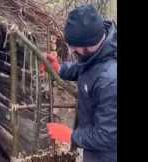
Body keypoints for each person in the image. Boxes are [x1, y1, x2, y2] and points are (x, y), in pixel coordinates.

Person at [44, 4, 117, 162]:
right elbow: (85, 68)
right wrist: (60, 68)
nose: (71, 49)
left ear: (88, 46)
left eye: (74, 47)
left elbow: (108, 136)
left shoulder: (111, 81)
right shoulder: (99, 53)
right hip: (93, 150)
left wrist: (70, 135)